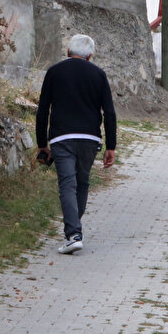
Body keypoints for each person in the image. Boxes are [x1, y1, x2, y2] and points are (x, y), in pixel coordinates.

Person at [35, 34, 117, 255]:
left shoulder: (54, 72)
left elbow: (43, 110)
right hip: (90, 139)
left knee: (67, 185)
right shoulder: (99, 75)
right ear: (90, 56)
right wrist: (111, 146)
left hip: (62, 139)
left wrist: (42, 144)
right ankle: (74, 231)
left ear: (68, 52)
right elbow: (109, 113)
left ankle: (73, 234)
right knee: (82, 183)